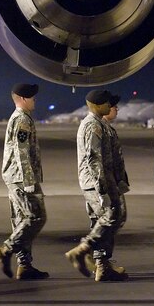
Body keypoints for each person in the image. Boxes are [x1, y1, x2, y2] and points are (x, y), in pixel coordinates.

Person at [65, 89, 128, 282]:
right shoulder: (92, 126)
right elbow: (94, 160)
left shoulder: (99, 124)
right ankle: (82, 250)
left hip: (102, 180)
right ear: (98, 105)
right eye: (108, 103)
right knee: (111, 217)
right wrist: (102, 189)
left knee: (100, 221)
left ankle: (102, 266)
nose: (111, 106)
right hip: (97, 182)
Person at [0, 83, 49, 281]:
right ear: (23, 99)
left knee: (21, 221)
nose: (35, 101)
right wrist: (29, 180)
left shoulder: (19, 118)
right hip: (21, 178)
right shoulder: (22, 119)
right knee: (36, 217)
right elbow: (21, 150)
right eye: (32, 98)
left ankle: (24, 266)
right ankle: (6, 250)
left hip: (14, 177)